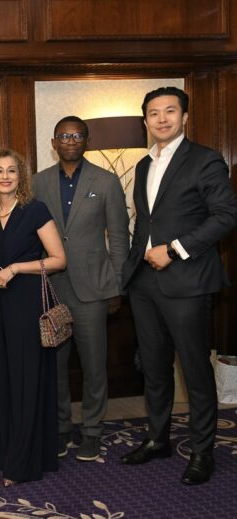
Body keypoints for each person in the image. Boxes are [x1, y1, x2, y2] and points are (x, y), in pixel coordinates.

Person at [120, 86, 237, 485]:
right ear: (146, 121)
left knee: (194, 372)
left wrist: (175, 249)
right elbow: (145, 224)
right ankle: (157, 439)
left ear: (185, 117)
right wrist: (132, 266)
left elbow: (225, 216)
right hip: (144, 284)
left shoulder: (205, 160)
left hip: (187, 281)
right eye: (154, 113)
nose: (163, 119)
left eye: (171, 111)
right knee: (153, 369)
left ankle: (203, 452)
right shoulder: (141, 165)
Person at [33, 116, 129, 461]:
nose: (70, 140)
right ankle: (61, 428)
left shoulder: (106, 181)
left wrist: (117, 286)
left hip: (95, 289)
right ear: (54, 142)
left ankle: (91, 430)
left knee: (93, 365)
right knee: (55, 367)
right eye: (64, 135)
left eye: (77, 135)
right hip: (53, 289)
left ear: (86, 140)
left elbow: (119, 237)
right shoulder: (38, 182)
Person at [0, 149, 66, 486]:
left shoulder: (35, 211)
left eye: (12, 170)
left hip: (28, 305)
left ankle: (23, 463)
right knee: (5, 382)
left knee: (28, 381)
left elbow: (59, 259)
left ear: (20, 177)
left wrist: (15, 268)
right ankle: (3, 451)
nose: (5, 176)